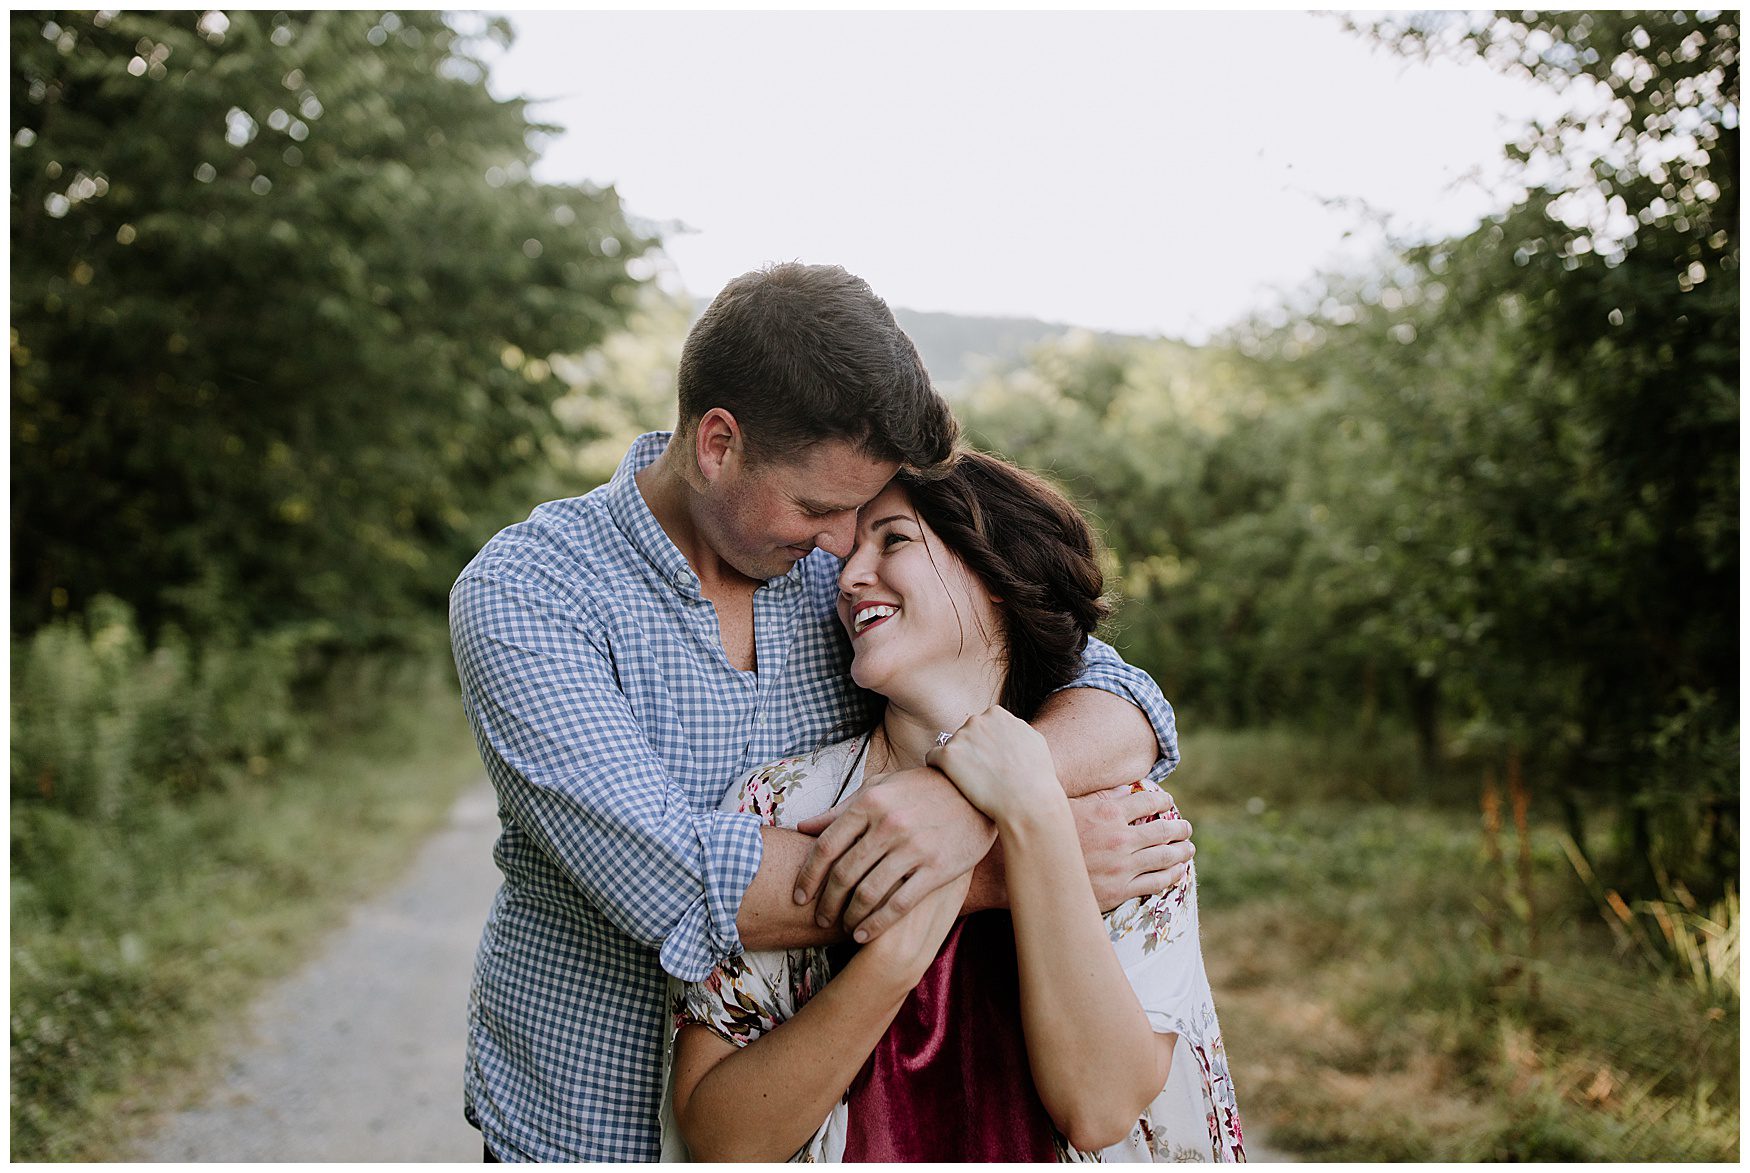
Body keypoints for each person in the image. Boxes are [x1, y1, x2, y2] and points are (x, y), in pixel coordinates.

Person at [450, 262, 1193, 1161]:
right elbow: (682, 880)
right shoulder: (531, 591)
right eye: (820, 507)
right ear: (718, 443)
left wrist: (965, 805)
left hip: (835, 1118)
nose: (841, 542)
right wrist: (1018, 861)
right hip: (585, 1126)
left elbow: (1117, 692)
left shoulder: (840, 571)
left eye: (859, 513)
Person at [663, 451, 1244, 1162]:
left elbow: (1100, 1108)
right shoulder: (777, 804)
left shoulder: (1119, 814)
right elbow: (722, 1141)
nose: (847, 578)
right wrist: (904, 942)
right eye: (850, 551)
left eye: (894, 540)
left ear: (997, 576)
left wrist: (1030, 808)